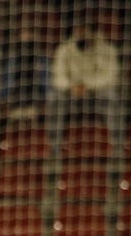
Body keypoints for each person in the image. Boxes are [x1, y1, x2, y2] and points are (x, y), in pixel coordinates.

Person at [46, 21, 121, 155]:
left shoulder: (107, 49)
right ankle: (54, 147)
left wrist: (87, 85)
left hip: (96, 94)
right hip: (71, 95)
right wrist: (71, 87)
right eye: (78, 31)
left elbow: (110, 77)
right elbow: (58, 77)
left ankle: (117, 146)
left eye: (83, 31)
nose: (80, 35)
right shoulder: (64, 50)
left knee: (112, 96)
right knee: (53, 97)